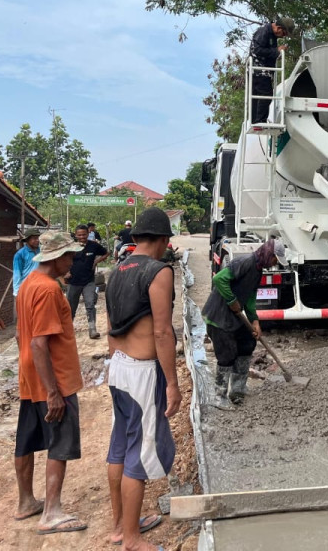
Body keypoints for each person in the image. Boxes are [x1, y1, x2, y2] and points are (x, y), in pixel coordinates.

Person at [104, 207, 181, 549]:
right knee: (140, 451)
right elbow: (162, 332)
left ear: (135, 238)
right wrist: (172, 384)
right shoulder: (158, 272)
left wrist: (114, 363)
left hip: (118, 367)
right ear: (163, 240)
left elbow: (111, 326)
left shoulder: (117, 270)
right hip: (141, 373)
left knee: (120, 446)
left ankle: (121, 526)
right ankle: (132, 540)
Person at [13, 231, 87, 535]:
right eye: (70, 256)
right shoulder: (48, 289)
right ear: (57, 257)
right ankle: (51, 512)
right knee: (60, 442)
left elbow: (21, 335)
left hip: (30, 376)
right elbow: (40, 343)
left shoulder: (28, 284)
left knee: (26, 439)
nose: (72, 261)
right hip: (53, 377)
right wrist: (54, 392)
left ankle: (26, 502)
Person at [203, 238, 285, 408]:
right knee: (227, 354)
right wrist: (232, 300)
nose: (274, 263)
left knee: (247, 343)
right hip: (219, 315)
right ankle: (219, 396)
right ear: (268, 254)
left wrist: (255, 320)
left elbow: (250, 297)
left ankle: (238, 390)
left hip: (235, 316)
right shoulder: (245, 262)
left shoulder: (258, 270)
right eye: (275, 259)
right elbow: (219, 279)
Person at [65, 224, 108, 339]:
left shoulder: (93, 245)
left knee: (90, 305)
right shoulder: (71, 247)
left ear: (88, 234)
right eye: (79, 235)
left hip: (89, 281)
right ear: (75, 235)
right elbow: (63, 259)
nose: (82, 237)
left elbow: (106, 252)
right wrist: (66, 272)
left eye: (84, 234)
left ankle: (92, 329)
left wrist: (96, 261)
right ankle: (67, 330)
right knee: (70, 307)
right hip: (73, 282)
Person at [248, 16, 295, 123]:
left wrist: (276, 55)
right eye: (284, 33)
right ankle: (260, 121)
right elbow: (256, 50)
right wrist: (276, 51)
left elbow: (267, 52)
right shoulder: (264, 32)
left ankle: (256, 121)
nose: (283, 36)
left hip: (263, 71)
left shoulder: (272, 36)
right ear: (279, 28)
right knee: (265, 94)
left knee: (259, 97)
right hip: (258, 70)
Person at [13, 227, 42, 298]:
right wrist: (17, 293)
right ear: (27, 239)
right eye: (34, 238)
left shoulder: (41, 251)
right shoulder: (20, 254)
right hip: (27, 289)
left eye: (38, 238)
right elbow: (17, 274)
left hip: (39, 288)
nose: (37, 240)